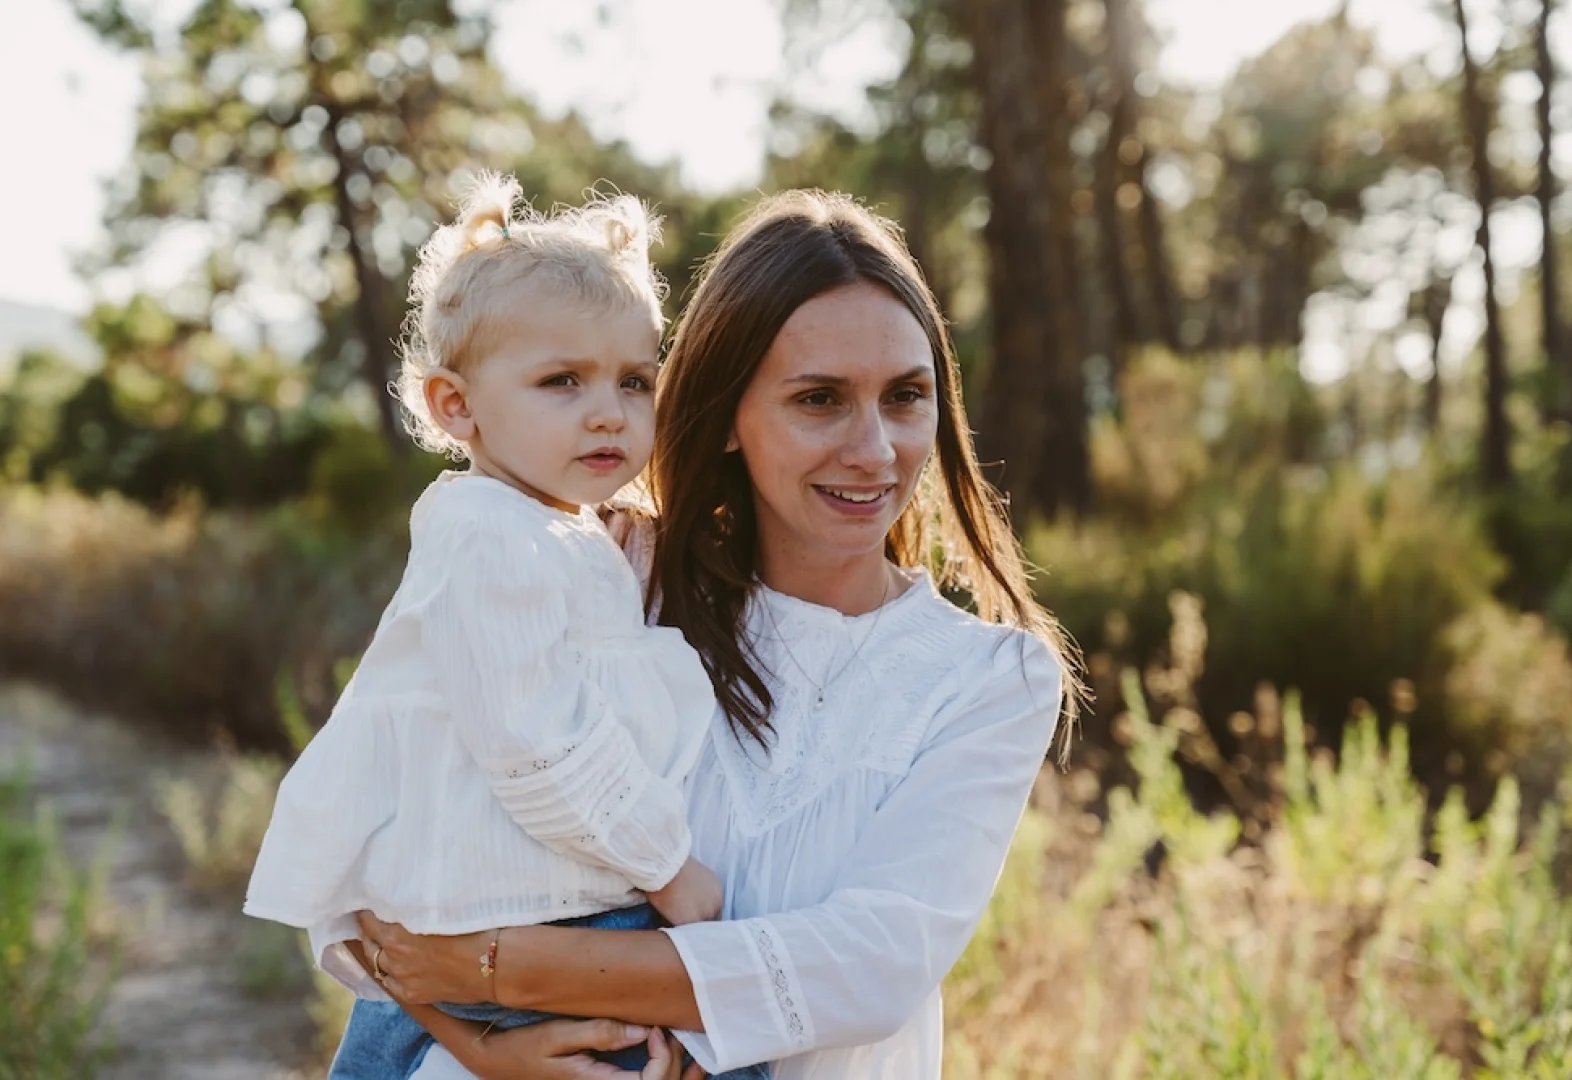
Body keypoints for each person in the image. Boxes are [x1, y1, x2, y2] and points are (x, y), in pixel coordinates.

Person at [346, 189, 1085, 1080]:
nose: (875, 448)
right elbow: (408, 830)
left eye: (905, 396)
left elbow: (867, 968)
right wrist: (482, 1044)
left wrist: (487, 969)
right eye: (818, 399)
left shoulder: (989, 678)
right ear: (728, 413)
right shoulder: (611, 580)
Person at [243, 173, 768, 1080]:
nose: (608, 410)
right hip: (536, 924)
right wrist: (671, 868)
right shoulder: (487, 538)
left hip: (522, 919)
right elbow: (540, 746)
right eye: (561, 380)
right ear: (456, 406)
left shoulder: (547, 530)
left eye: (634, 380)